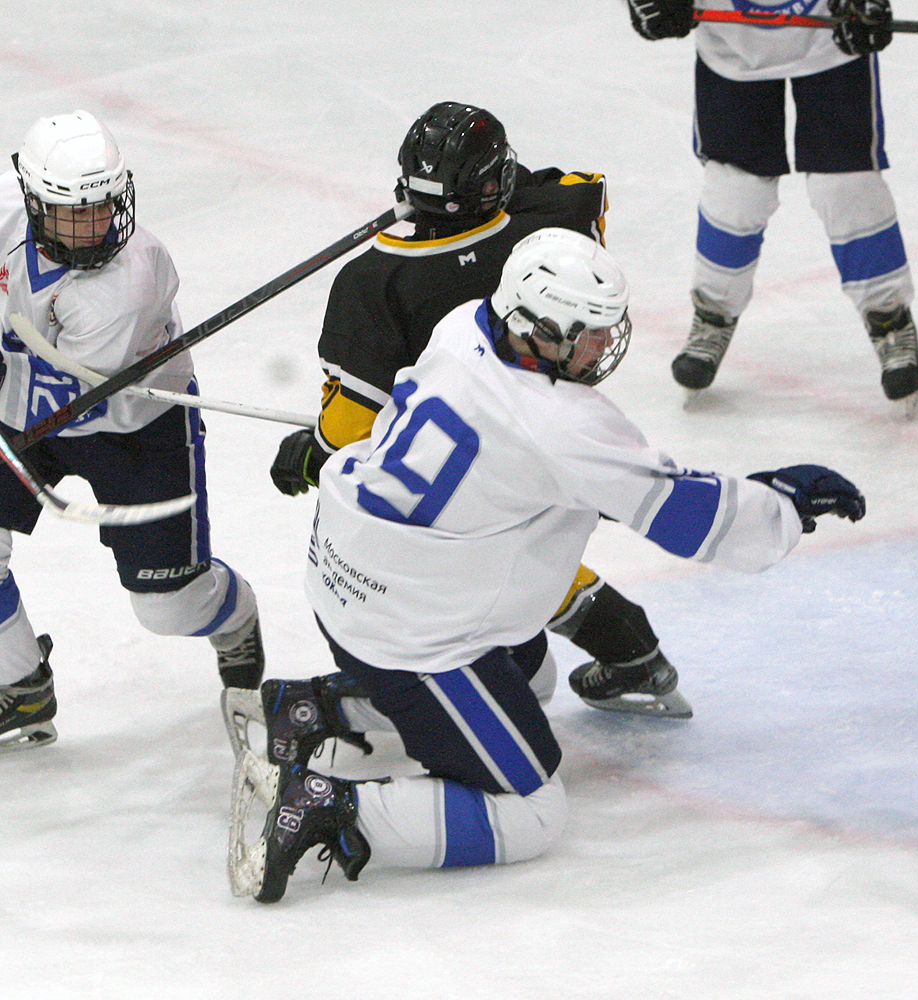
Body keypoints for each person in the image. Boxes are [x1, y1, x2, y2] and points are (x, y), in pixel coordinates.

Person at [229, 228, 864, 902]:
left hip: (355, 565)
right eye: (585, 333)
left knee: (530, 677)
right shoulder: (563, 426)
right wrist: (783, 507)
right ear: (534, 327)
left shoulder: (464, 325)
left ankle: (312, 709)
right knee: (529, 810)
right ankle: (324, 804)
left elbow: (580, 476)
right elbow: (687, 519)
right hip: (410, 628)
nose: (601, 347)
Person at [267, 102, 692, 718]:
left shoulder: (374, 281)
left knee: (479, 560)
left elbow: (353, 433)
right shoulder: (553, 222)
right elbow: (579, 186)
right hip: (559, 418)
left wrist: (311, 455)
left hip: (460, 458)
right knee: (529, 549)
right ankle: (634, 651)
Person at [0, 111, 263, 753]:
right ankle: (20, 685)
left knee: (167, 607)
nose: (95, 226)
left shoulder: (129, 281)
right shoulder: (11, 237)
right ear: (34, 202)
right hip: (29, 414)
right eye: (73, 213)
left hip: (138, 435)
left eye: (103, 207)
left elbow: (75, 397)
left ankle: (234, 616)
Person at [625, 0, 918, 407]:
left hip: (828, 41)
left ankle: (888, 317)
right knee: (737, 191)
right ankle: (713, 315)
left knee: (845, 186)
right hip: (731, 48)